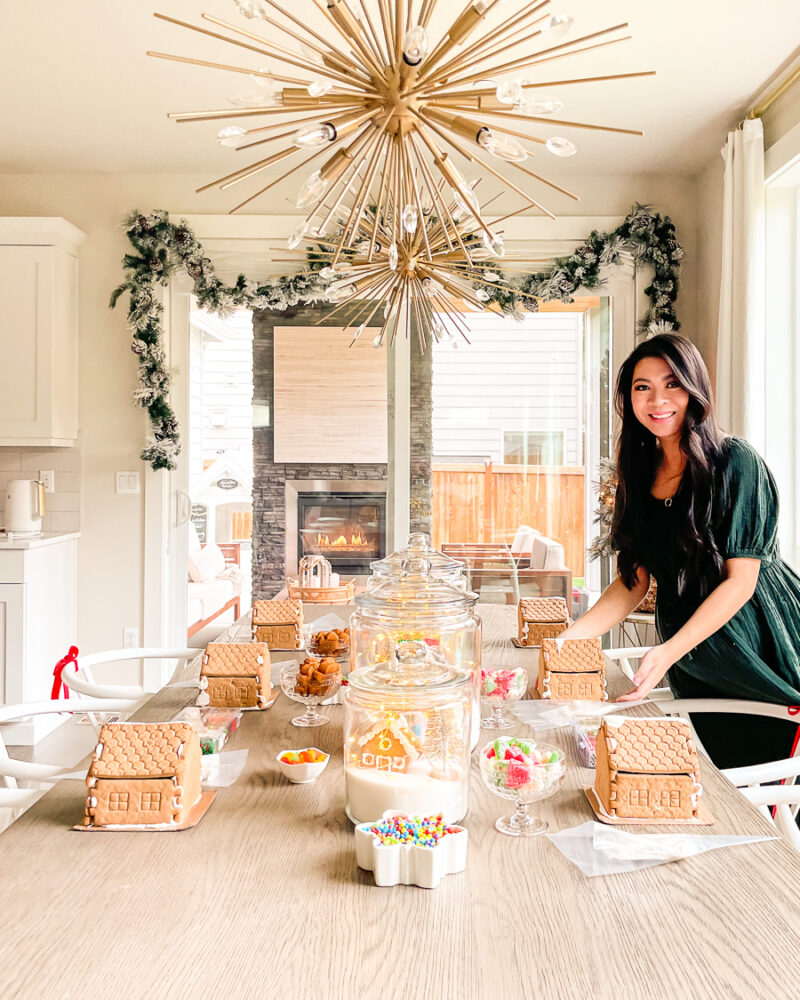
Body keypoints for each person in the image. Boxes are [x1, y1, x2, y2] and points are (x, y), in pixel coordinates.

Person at [563, 333, 800, 769]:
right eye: (642, 387)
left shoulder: (736, 462)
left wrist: (667, 650)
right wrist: (568, 641)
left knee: (768, 783)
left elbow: (742, 583)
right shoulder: (638, 473)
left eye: (672, 383)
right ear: (627, 399)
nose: (658, 399)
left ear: (695, 389)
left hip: (756, 647)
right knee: (715, 776)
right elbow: (633, 581)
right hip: (697, 656)